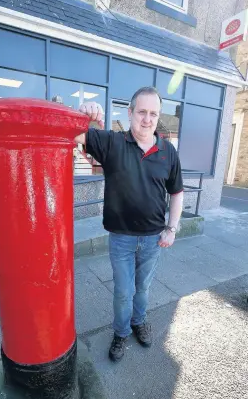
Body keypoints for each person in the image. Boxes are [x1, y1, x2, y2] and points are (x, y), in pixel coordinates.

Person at [75, 87, 184, 362]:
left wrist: (172, 228)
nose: (147, 119)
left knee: (143, 288)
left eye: (153, 113)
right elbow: (73, 135)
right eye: (142, 112)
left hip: (152, 238)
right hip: (121, 238)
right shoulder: (112, 143)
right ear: (130, 113)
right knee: (124, 291)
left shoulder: (167, 151)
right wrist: (83, 113)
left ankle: (139, 322)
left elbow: (176, 192)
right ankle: (121, 333)